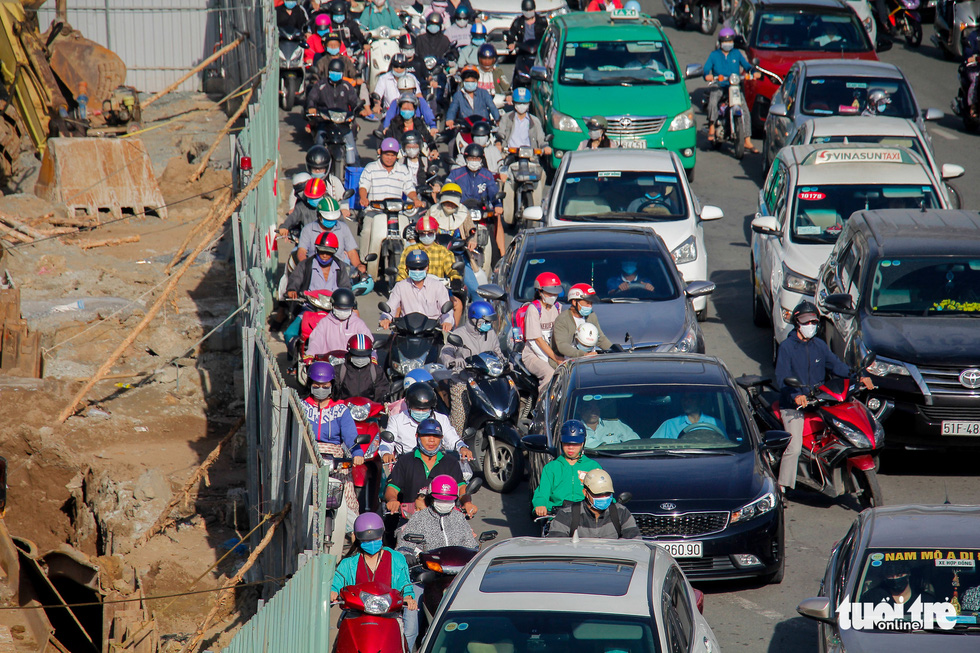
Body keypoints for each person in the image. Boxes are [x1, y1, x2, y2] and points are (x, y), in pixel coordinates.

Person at [775, 300, 873, 494]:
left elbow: (837, 366)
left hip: (819, 400)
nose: (810, 325)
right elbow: (781, 378)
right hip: (794, 406)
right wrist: (796, 396)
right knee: (793, 447)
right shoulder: (786, 347)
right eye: (805, 321)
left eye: (813, 321)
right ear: (797, 323)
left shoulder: (819, 345)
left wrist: (859, 376)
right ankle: (781, 487)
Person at [331, 513, 418, 649]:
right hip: (356, 615)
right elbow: (336, 583)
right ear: (359, 539)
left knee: (401, 642)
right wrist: (333, 593)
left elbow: (405, 585)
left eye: (375, 538)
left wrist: (408, 598)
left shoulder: (397, 559)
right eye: (367, 540)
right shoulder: (348, 563)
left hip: (389, 616)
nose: (371, 543)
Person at [384, 418, 477, 516]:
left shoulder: (451, 462)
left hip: (445, 518)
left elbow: (461, 487)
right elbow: (392, 488)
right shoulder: (405, 461)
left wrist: (467, 503)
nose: (432, 440)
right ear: (417, 436)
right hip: (411, 518)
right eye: (426, 435)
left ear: (442, 438)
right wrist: (393, 500)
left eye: (436, 436)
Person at [441, 300, 504, 433]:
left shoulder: (491, 333)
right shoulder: (459, 334)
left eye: (490, 322)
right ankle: (454, 446)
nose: (488, 325)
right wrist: (453, 360)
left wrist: (505, 361)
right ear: (474, 320)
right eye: (485, 321)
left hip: (485, 381)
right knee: (460, 419)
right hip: (463, 380)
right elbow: (446, 351)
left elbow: (498, 352)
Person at [497, 87, 550, 226]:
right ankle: (502, 209)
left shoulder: (534, 121)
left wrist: (546, 148)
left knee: (542, 175)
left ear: (529, 104)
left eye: (524, 103)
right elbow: (500, 134)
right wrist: (498, 144)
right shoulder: (506, 118)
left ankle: (537, 206)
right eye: (519, 103)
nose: (522, 106)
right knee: (503, 178)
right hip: (510, 156)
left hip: (531, 157)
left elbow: (542, 140)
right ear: (514, 103)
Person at [382, 382, 473, 459]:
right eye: (417, 409)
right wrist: (386, 453)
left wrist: (462, 447)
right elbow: (386, 443)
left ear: (432, 407)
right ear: (409, 406)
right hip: (407, 467)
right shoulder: (397, 420)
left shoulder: (441, 419)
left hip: (437, 465)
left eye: (425, 409)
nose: (421, 412)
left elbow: (452, 439)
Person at [703, 27, 758, 153]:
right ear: (720, 42)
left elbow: (747, 65)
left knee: (744, 109)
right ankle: (712, 126)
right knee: (713, 100)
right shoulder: (714, 55)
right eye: (725, 41)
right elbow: (706, 69)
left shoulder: (736, 54)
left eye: (730, 41)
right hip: (719, 86)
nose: (728, 44)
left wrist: (753, 72)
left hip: (734, 87)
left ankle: (747, 140)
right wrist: (708, 75)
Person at [531, 419, 602, 516]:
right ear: (561, 442)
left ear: (583, 443)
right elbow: (542, 493)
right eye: (567, 443)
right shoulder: (551, 468)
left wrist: (612, 505)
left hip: (586, 517)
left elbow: (603, 492)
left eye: (575, 444)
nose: (571, 447)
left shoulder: (593, 466)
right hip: (558, 517)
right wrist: (540, 505)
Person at [446, 143, 505, 255]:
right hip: (460, 212)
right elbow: (447, 187)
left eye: (477, 158)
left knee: (497, 221)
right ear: (466, 159)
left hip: (482, 211)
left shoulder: (487, 175)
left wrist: (497, 205)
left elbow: (493, 191)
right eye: (471, 158)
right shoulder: (456, 174)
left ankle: (502, 257)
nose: (474, 161)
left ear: (481, 159)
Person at [548, 469, 641, 539]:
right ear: (585, 493)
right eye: (598, 494)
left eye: (607, 494)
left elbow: (634, 543)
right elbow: (557, 546)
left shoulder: (621, 513)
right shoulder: (566, 515)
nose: (604, 497)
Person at [425, 183, 482, 298]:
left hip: (458, 257)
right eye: (447, 202)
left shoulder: (464, 213)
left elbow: (471, 230)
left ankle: (478, 314)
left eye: (453, 202)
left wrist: (472, 240)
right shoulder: (432, 211)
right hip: (435, 256)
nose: (449, 205)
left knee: (475, 290)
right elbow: (423, 227)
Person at [397, 474, 477, 552]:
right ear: (431, 499)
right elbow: (404, 545)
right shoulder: (419, 518)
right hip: (429, 564)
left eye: (448, 500)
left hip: (458, 563)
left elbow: (470, 544)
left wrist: (474, 551)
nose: (444, 503)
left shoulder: (459, 517)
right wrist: (407, 555)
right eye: (440, 500)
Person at [380, 249, 454, 331]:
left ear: (427, 268)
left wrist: (447, 322)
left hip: (432, 332)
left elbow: (447, 310)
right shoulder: (400, 286)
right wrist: (385, 319)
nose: (417, 271)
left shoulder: (437, 286)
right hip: (406, 331)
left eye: (421, 268)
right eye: (413, 268)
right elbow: (391, 307)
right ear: (407, 268)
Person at [306, 58, 361, 162]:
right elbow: (311, 98)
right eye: (333, 71)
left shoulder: (347, 86)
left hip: (343, 122)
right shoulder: (320, 85)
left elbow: (354, 101)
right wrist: (311, 108)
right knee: (319, 140)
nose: (335, 74)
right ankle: (316, 162)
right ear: (329, 72)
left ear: (342, 73)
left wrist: (359, 108)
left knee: (351, 144)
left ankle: (355, 169)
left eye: (338, 72)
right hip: (325, 121)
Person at [302, 362, 360, 456]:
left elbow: (350, 435)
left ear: (332, 385)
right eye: (317, 385)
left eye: (325, 386)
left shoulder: (341, 410)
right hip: (306, 454)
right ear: (310, 385)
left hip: (334, 458)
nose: (321, 388)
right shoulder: (301, 406)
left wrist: (357, 453)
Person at [521, 272, 564, 396]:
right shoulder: (533, 310)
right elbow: (537, 341)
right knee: (549, 373)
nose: (553, 296)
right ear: (540, 292)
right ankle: (544, 407)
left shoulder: (558, 307)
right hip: (533, 355)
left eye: (555, 293)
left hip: (553, 353)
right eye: (550, 293)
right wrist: (554, 359)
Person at [297, 197, 363, 271]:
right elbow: (302, 251)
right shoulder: (308, 229)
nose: (330, 221)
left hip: (338, 271)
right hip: (314, 270)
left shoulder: (343, 228)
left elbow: (351, 252)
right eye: (327, 219)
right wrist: (305, 267)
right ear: (319, 215)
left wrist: (358, 265)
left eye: (333, 219)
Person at [551, 283, 612, 360]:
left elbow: (600, 339)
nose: (590, 306)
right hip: (567, 362)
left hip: (589, 359)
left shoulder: (591, 315)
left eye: (591, 303)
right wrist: (583, 354)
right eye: (587, 302)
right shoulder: (562, 319)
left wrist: (615, 350)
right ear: (574, 302)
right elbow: (562, 346)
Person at [306, 288, 372, 356]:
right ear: (333, 306)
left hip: (350, 363)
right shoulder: (325, 323)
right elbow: (316, 342)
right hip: (328, 363)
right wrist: (310, 354)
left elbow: (369, 343)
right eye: (339, 308)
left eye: (346, 308)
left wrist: (373, 356)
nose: (342, 311)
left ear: (352, 308)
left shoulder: (358, 324)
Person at [286, 232, 354, 298]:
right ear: (317, 250)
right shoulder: (305, 264)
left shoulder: (340, 266)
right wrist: (292, 289)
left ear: (334, 252)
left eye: (328, 253)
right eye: (322, 252)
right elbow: (295, 279)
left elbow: (346, 288)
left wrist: (353, 305)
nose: (324, 255)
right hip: (309, 304)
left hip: (333, 305)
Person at [333, 333, 392, 402]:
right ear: (349, 353)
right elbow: (333, 395)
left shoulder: (376, 371)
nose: (360, 359)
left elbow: (382, 393)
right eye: (356, 355)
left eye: (364, 355)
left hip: (370, 410)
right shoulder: (339, 371)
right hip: (344, 410)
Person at [506, 0, 548, 85]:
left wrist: (546, 42)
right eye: (526, 11)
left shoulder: (542, 22)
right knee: (518, 70)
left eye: (530, 10)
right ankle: (514, 87)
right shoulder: (518, 22)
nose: (528, 13)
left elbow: (547, 35)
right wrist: (512, 44)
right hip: (523, 52)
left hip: (538, 52)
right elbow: (511, 36)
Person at [862, 560, 938, 607]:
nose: (895, 579)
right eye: (891, 576)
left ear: (908, 574)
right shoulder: (872, 598)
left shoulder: (926, 601)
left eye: (899, 575)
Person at [651, 394, 722, 439]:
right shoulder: (669, 425)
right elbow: (653, 446)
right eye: (684, 398)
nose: (686, 401)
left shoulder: (715, 424)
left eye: (692, 397)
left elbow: (725, 445)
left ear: (701, 401)